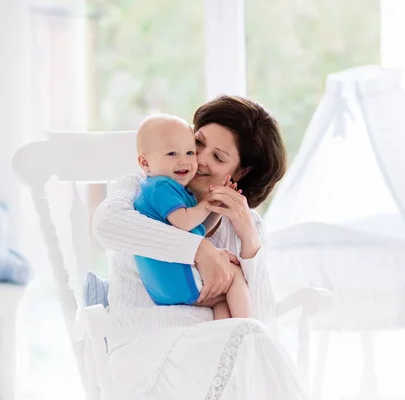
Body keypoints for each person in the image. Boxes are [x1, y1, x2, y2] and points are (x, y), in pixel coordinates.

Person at [93, 95, 305, 399]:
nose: (198, 159)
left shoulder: (246, 224)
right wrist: (198, 249)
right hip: (147, 349)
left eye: (218, 157)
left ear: (241, 172)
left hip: (222, 350)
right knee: (249, 348)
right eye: (198, 143)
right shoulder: (143, 186)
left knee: (253, 343)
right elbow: (106, 225)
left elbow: (263, 322)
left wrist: (250, 241)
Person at [133, 113, 250, 319]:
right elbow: (185, 223)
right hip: (176, 278)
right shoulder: (160, 186)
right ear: (145, 163)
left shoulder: (169, 189)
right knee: (235, 277)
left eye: (189, 152)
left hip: (167, 285)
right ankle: (247, 327)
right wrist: (206, 205)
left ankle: (230, 338)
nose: (186, 161)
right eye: (172, 154)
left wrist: (215, 207)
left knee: (222, 299)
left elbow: (198, 228)